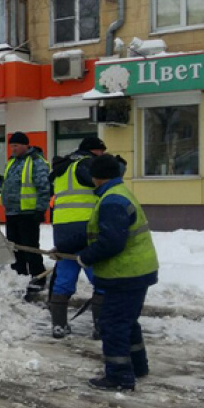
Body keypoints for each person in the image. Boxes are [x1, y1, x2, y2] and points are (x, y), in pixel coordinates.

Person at [75, 154, 158, 391]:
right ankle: (137, 366)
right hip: (136, 271)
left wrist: (85, 257)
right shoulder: (118, 193)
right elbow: (100, 234)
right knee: (127, 322)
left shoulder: (111, 201)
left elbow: (111, 242)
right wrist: (65, 247)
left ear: (96, 177)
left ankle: (119, 377)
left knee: (113, 324)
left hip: (125, 274)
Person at [47, 136, 107, 339]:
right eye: (101, 151)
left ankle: (59, 325)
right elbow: (102, 181)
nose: (102, 155)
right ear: (93, 150)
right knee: (100, 276)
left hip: (62, 229)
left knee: (65, 276)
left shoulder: (62, 168)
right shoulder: (86, 164)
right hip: (86, 228)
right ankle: (101, 327)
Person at [0, 131, 51, 298]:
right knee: (15, 247)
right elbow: (11, 183)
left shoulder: (36, 161)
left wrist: (40, 209)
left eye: (16, 145)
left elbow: (44, 187)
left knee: (30, 246)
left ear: (25, 145)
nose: (13, 149)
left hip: (28, 212)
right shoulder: (12, 162)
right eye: (11, 146)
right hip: (12, 212)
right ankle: (19, 275)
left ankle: (38, 276)